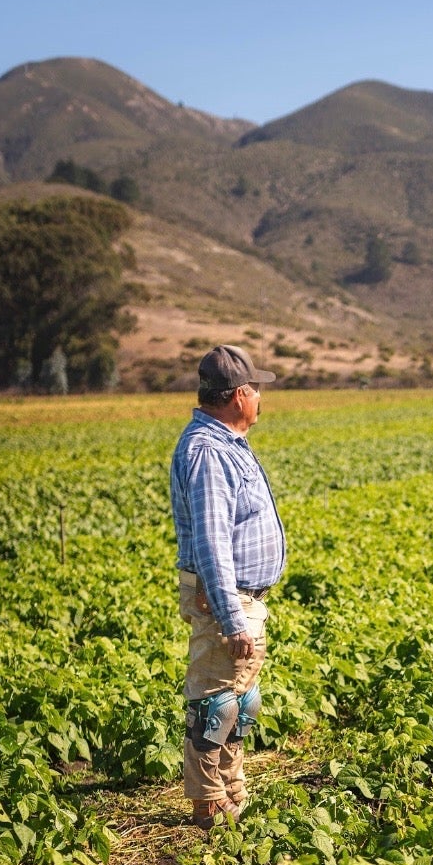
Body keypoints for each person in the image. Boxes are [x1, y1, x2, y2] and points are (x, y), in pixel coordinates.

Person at [170, 345, 285, 828]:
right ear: (240, 396)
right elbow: (212, 544)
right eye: (256, 389)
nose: (260, 397)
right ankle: (208, 806)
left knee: (239, 700)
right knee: (214, 705)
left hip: (240, 597)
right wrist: (231, 617)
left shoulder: (227, 444)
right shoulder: (209, 452)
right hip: (226, 598)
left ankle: (231, 789)